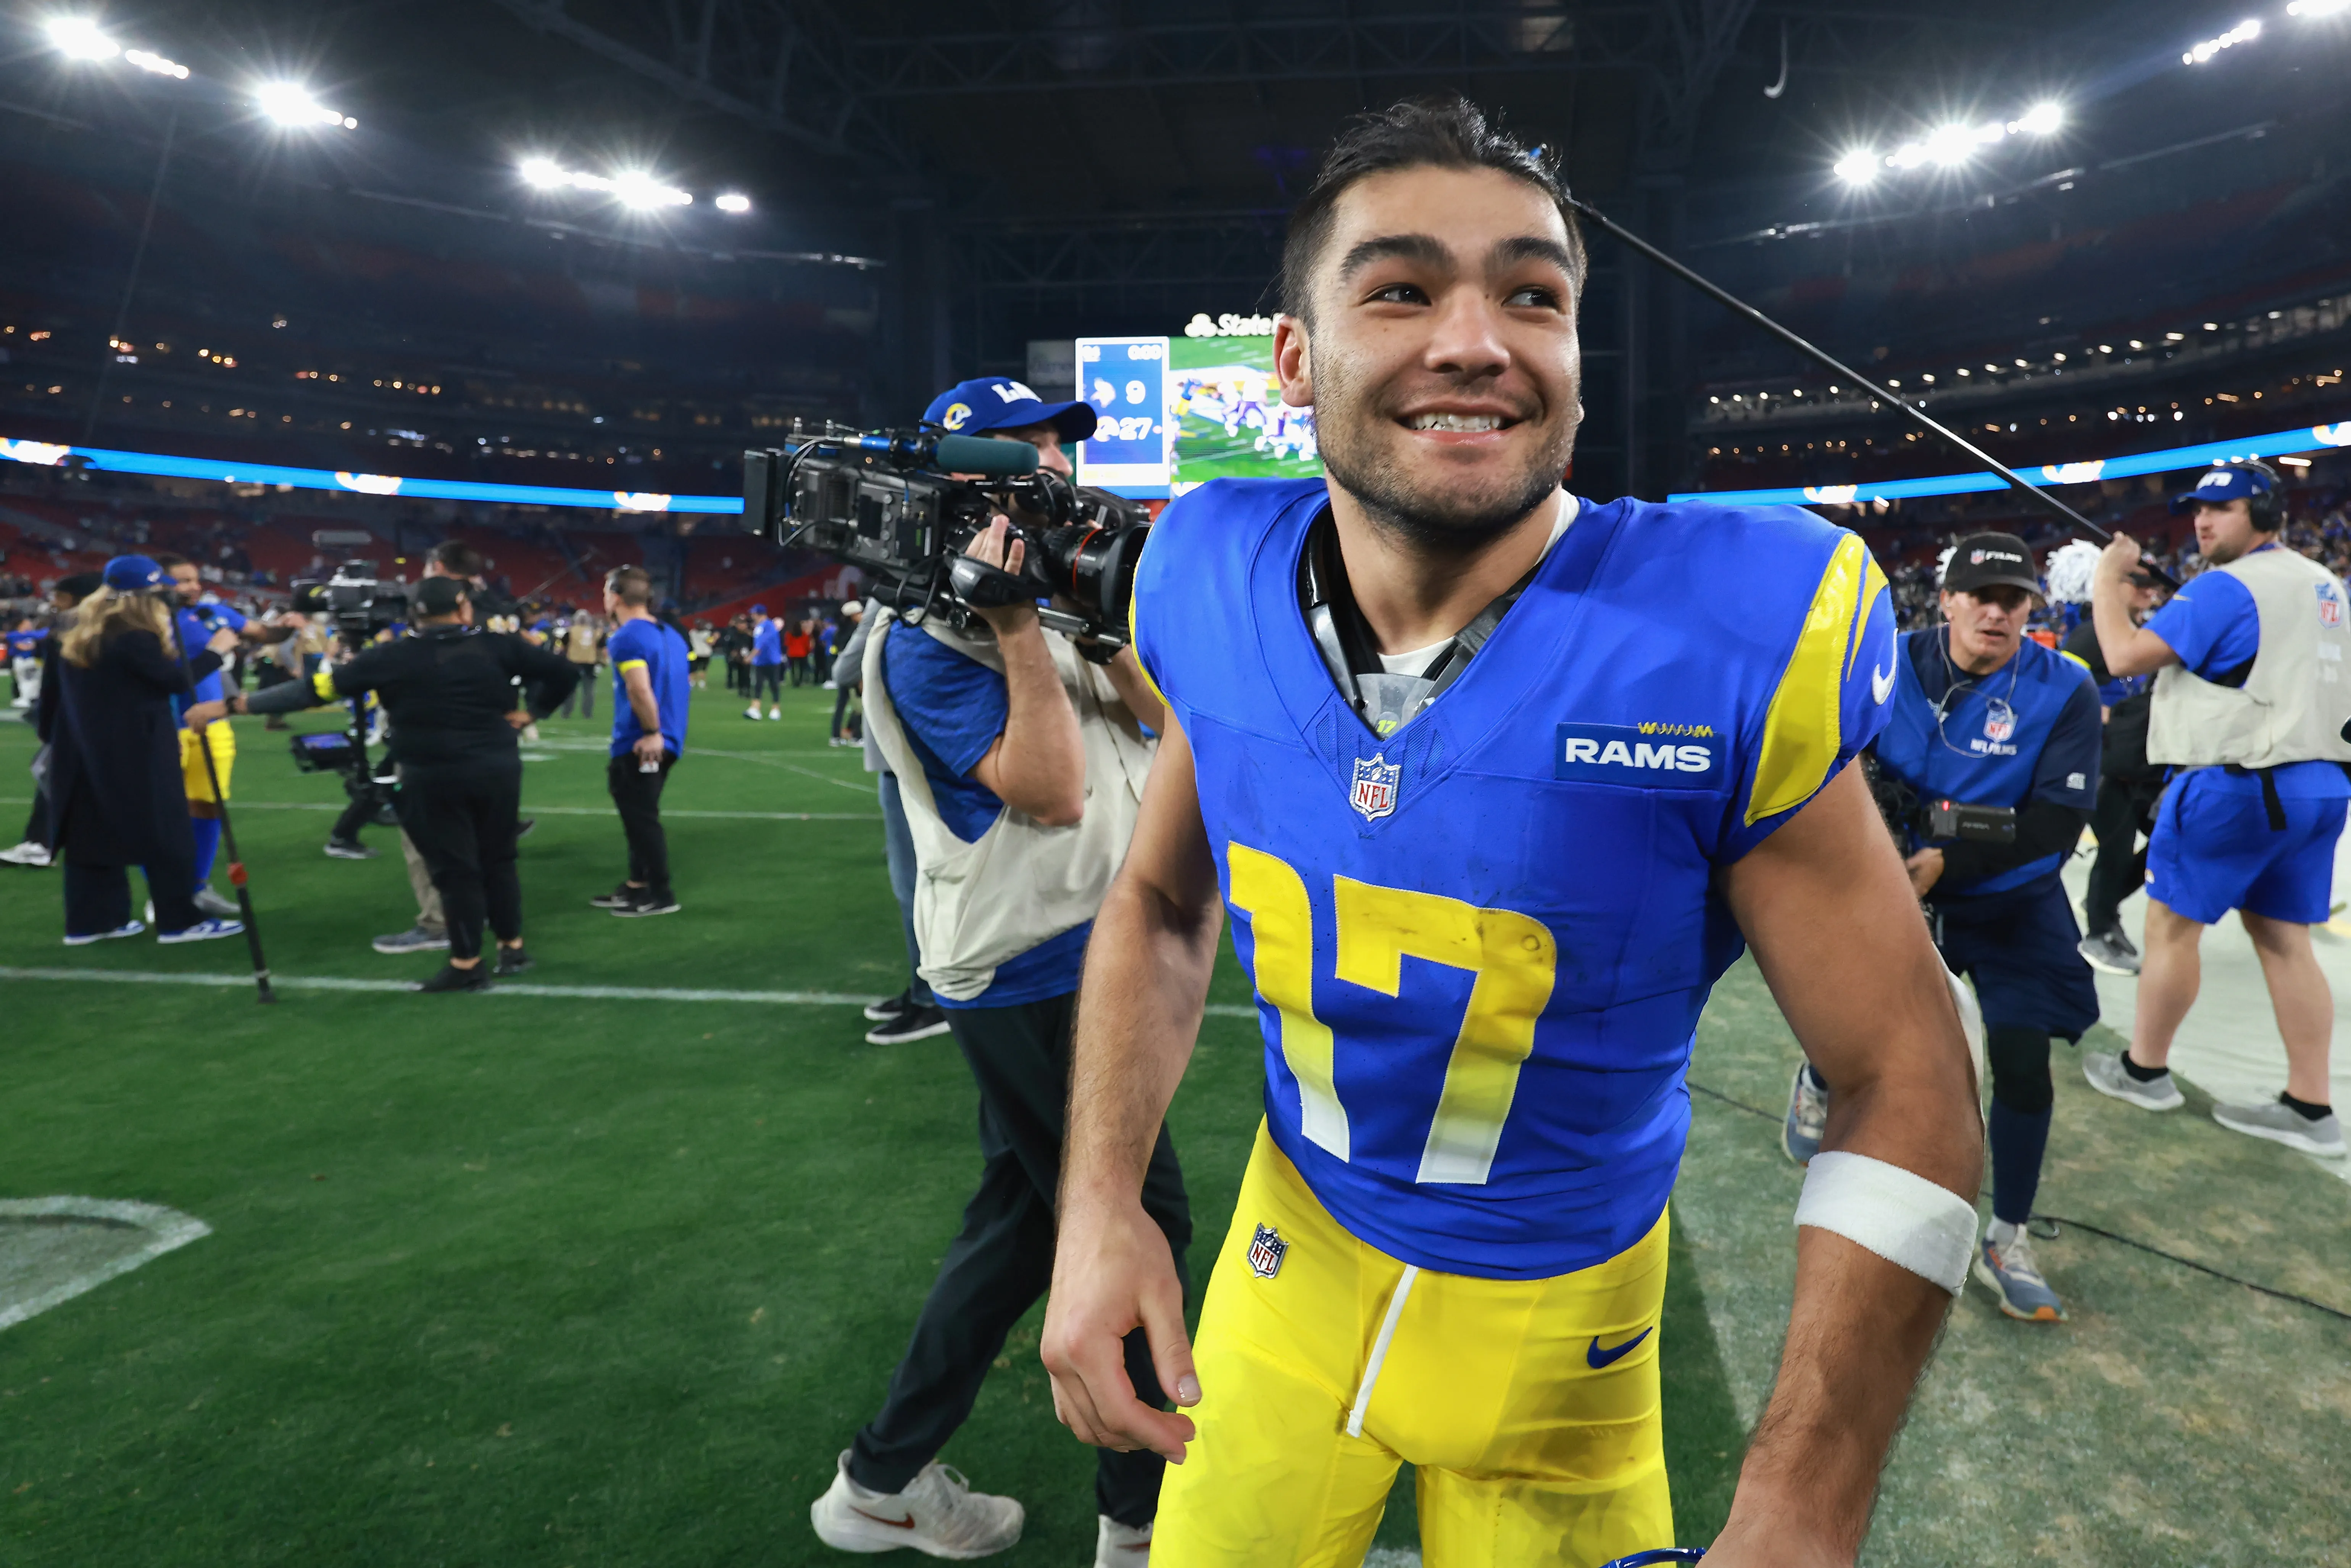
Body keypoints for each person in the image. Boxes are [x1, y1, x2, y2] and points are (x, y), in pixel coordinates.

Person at [1037, 100, 1983, 1568]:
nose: (1477, 339)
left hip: (1571, 1332)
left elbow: (1906, 1078)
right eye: (1402, 287)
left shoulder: (1723, 629)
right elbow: (1165, 902)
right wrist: (1099, 1207)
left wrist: (1804, 1512)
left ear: (1577, 360)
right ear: (1295, 359)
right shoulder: (1202, 570)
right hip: (1285, 1272)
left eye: (1533, 294)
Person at [808, 376, 1187, 1567]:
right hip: (1033, 970)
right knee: (1137, 1221)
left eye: (1053, 448)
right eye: (1021, 452)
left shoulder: (1058, 605)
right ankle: (1136, 1525)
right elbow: (1052, 785)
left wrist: (1089, 626)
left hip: (1093, 947)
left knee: (1024, 1219)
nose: (1052, 471)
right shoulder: (920, 640)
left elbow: (1167, 729)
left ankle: (879, 1478)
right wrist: (1022, 628)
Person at [1794, 533, 2099, 1322]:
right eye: (1982, 596)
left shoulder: (2063, 685)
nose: (1997, 612)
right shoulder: (1883, 657)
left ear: (2033, 607)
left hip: (2007, 899)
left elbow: (2053, 825)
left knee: (2021, 1060)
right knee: (1851, 1013)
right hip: (1889, 877)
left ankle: (2006, 1233)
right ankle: (1818, 1073)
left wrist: (1943, 856)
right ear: (1948, 599)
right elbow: (1828, 758)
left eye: (2014, 599)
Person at [2084, 461, 2351, 1158]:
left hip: (2237, 784)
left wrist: (2106, 580)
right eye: (2198, 509)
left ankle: (2144, 1070)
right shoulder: (2325, 583)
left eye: (2223, 508)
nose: (2202, 520)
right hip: (2320, 782)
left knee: (2171, 927)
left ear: (2263, 512)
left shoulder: (2226, 586)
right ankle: (2310, 1104)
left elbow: (2122, 655)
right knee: (2286, 939)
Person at [195, 575, 580, 991]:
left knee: (455, 870)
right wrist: (533, 712)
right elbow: (563, 671)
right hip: (497, 767)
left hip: (431, 772)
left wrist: (232, 704)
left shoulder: (392, 655)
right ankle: (513, 947)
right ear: (464, 607)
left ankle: (468, 965)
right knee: (499, 860)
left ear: (415, 613)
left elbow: (313, 691)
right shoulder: (499, 645)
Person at [39, 556, 245, 945]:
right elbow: (170, 680)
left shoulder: (73, 625)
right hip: (137, 745)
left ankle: (92, 921)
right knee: (167, 831)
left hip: (82, 746)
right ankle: (179, 920)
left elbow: (53, 694)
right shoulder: (132, 633)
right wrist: (216, 652)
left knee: (92, 834)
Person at [833, 596, 946, 1046]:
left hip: (904, 760)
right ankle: (929, 988)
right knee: (930, 882)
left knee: (913, 886)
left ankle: (932, 998)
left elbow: (844, 670)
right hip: (948, 757)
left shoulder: (894, 593)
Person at [158, 554, 295, 916]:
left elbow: (263, 633)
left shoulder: (213, 612)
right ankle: (166, 894)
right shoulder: (148, 621)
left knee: (208, 805)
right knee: (159, 814)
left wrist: (289, 625)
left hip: (212, 724)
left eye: (196, 578)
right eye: (183, 580)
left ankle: (197, 887)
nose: (194, 586)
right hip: (162, 725)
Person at [2066, 566, 2169, 974]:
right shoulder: (2090, 635)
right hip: (2099, 763)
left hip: (2138, 766)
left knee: (2165, 841)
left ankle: (2102, 906)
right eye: (2136, 583)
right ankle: (2097, 932)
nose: (2147, 591)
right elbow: (2059, 691)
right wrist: (2110, 717)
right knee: (2113, 849)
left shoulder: (2142, 637)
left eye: (2150, 584)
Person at [586, 566, 689, 918]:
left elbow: (639, 687)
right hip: (671, 738)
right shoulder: (672, 634)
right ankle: (636, 885)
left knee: (641, 819)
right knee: (641, 815)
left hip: (642, 741)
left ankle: (661, 892)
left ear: (615, 596)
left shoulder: (627, 637)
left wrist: (650, 732)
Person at [4, 573, 101, 869]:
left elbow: (54, 686)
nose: (53, 603)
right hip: (102, 723)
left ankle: (41, 843)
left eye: (59, 597)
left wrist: (47, 725)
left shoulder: (66, 629)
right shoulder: (112, 630)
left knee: (53, 777)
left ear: (75, 599)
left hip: (72, 723)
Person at [828, 601, 864, 748]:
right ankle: (856, 737)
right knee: (858, 705)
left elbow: (836, 650)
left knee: (841, 705)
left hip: (841, 670)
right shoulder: (856, 632)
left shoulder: (839, 632)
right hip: (854, 672)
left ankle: (836, 736)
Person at [559, 609, 605, 719]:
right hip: (589, 664)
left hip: (573, 663)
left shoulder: (570, 631)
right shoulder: (593, 632)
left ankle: (567, 713)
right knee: (589, 691)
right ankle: (587, 714)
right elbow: (600, 644)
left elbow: (563, 646)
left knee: (570, 690)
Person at [748, 605, 784, 719]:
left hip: (772, 660)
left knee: (774, 685)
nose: (752, 616)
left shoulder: (768, 626)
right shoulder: (759, 626)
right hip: (760, 661)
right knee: (757, 685)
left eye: (753, 613)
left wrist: (751, 656)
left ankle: (776, 709)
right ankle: (755, 708)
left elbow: (761, 644)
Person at [7, 615, 45, 709]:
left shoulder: (33, 635)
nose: (30, 625)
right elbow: (21, 647)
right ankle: (26, 698)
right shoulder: (15, 635)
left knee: (35, 681)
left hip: (32, 661)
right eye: (27, 623)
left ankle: (32, 698)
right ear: (20, 625)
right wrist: (33, 646)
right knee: (24, 681)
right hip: (21, 661)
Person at [785, 616, 813, 687]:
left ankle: (794, 681)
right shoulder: (804, 635)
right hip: (802, 653)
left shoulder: (789, 634)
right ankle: (800, 681)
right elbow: (806, 644)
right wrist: (809, 651)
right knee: (801, 668)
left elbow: (787, 643)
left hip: (792, 653)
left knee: (793, 668)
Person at [687, 621, 713, 690]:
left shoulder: (692, 633)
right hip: (705, 653)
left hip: (694, 653)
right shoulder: (707, 633)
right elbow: (710, 642)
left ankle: (692, 683)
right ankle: (702, 683)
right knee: (703, 669)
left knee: (693, 669)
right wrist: (715, 637)